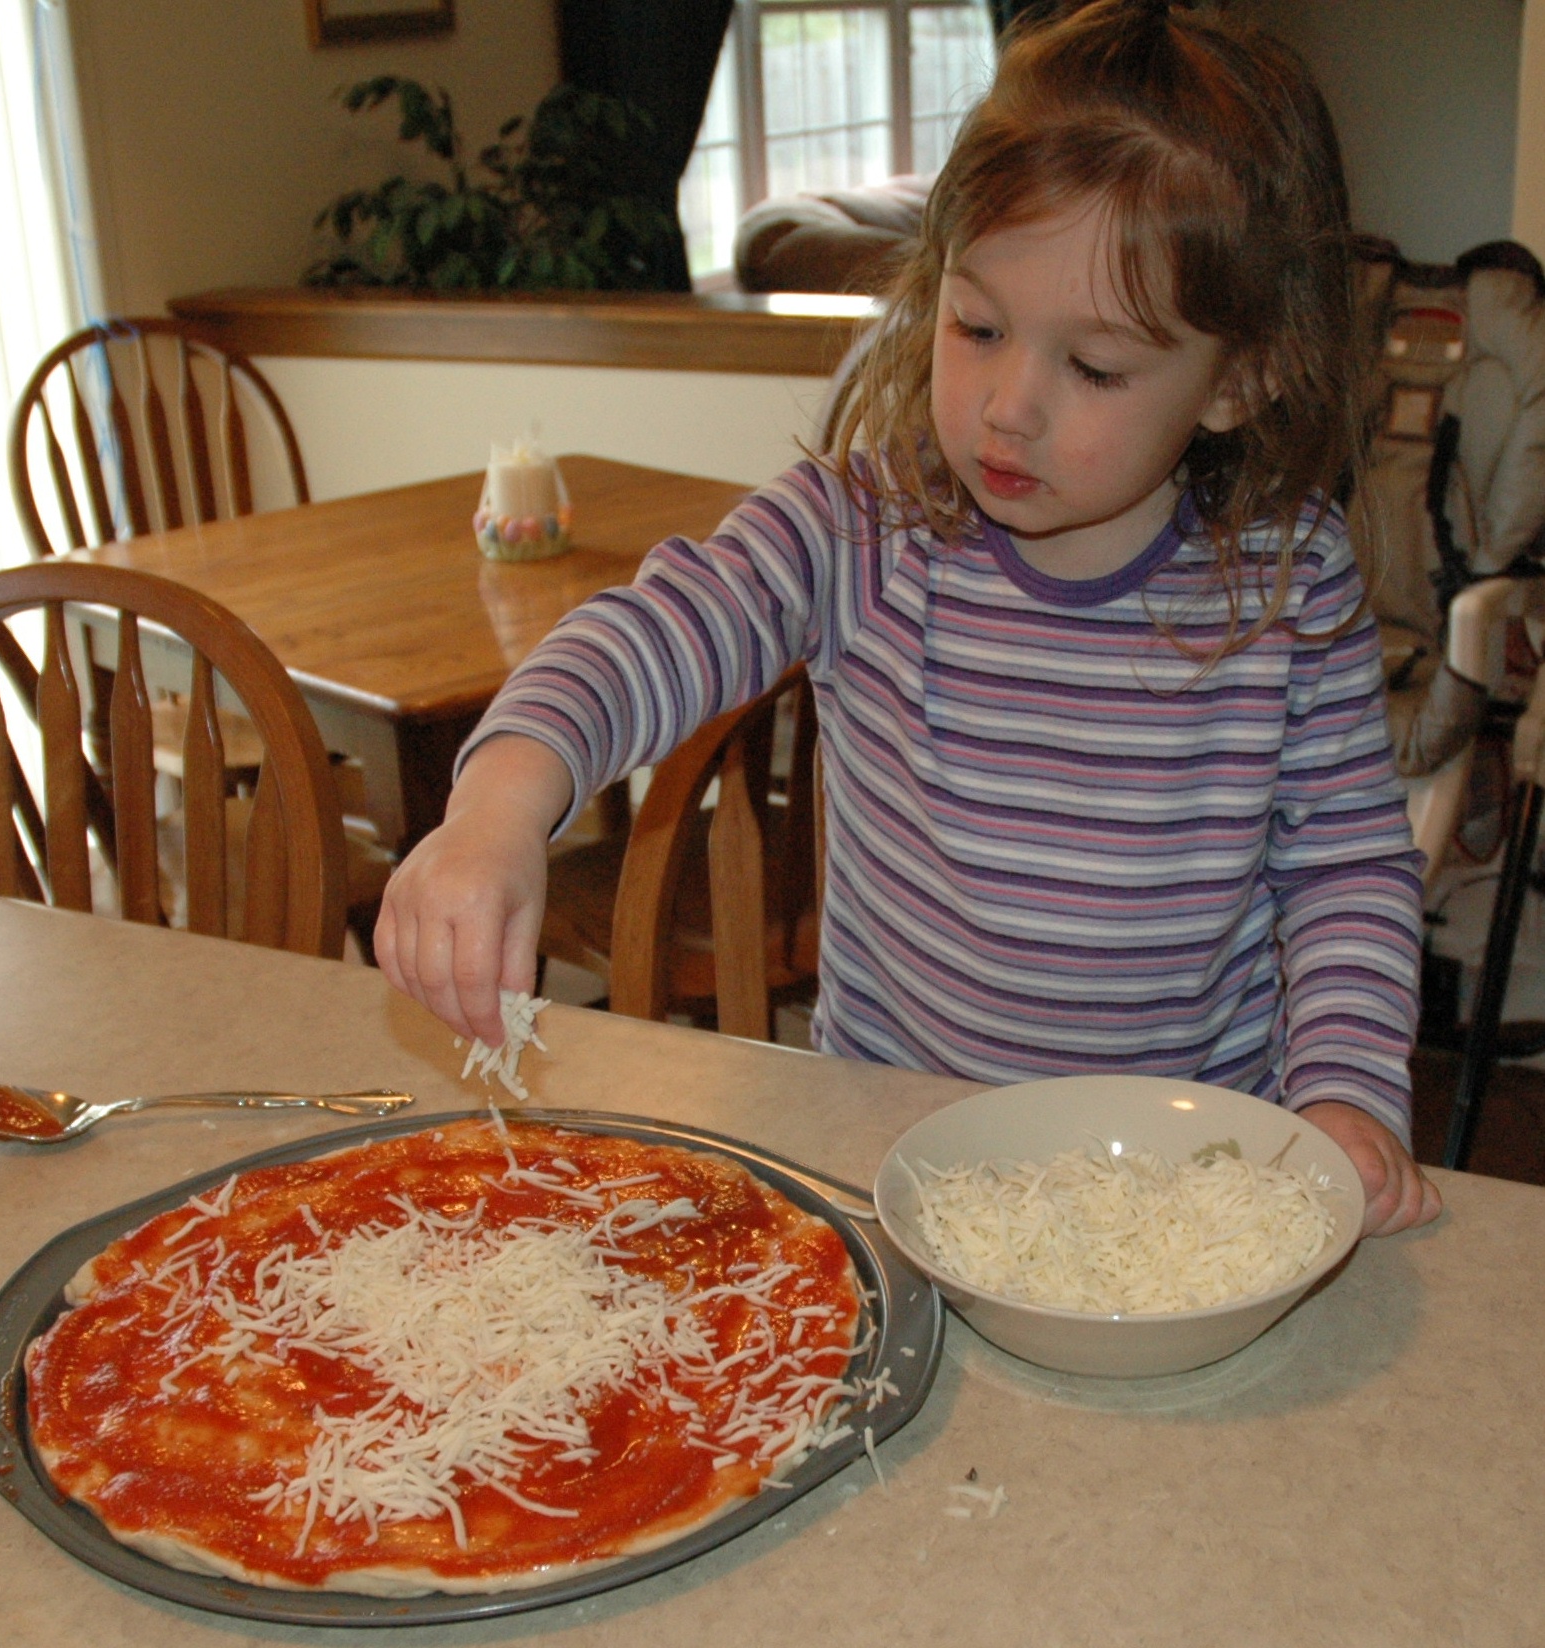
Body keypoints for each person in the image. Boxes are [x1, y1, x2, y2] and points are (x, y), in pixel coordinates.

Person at [377, 0, 1441, 1237]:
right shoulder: (860, 533)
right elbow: (652, 633)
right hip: (896, 1159)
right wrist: (500, 806)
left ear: (1241, 376)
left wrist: (1351, 1096)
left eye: (1093, 368)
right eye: (976, 327)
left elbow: (1346, 870)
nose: (1008, 408)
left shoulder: (1289, 585)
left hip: (1189, 1186)